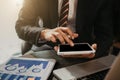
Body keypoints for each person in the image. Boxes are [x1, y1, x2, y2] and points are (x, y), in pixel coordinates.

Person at [15, 0, 113, 67]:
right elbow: (21, 26)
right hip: (46, 45)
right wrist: (44, 32)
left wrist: (94, 52)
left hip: (82, 50)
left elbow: (105, 35)